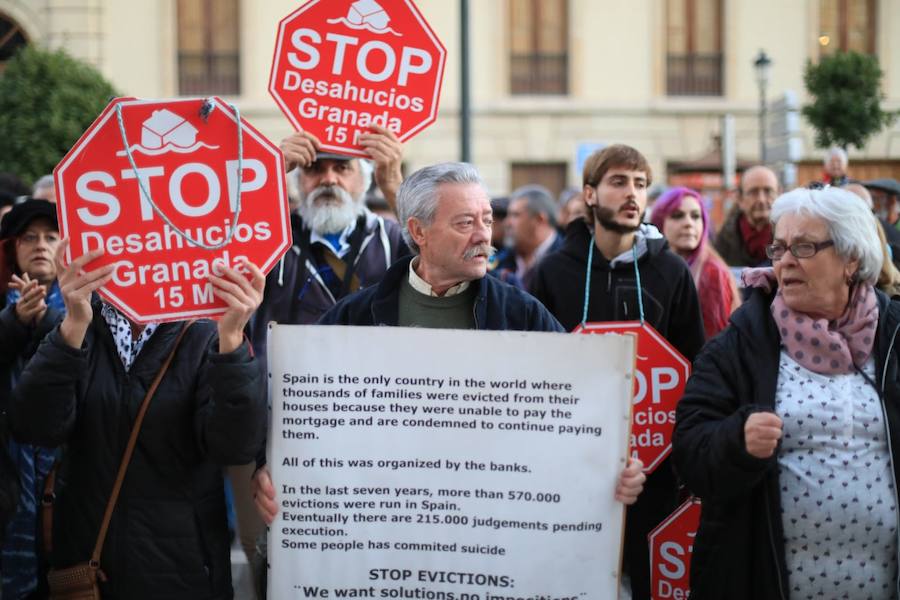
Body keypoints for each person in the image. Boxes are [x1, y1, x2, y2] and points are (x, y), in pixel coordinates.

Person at [251, 161, 646, 513]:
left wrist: (612, 465)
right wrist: (271, 466)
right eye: (464, 223)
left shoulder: (521, 314)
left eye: (488, 220)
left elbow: (577, 407)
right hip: (387, 520)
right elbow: (300, 409)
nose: (483, 236)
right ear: (418, 231)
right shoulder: (355, 316)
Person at [8, 240, 268, 600]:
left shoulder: (206, 331)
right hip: (87, 565)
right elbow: (33, 426)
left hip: (182, 568)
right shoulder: (79, 321)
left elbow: (235, 446)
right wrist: (72, 327)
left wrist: (232, 340)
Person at [672, 186, 896, 599]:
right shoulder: (739, 343)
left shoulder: (895, 336)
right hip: (763, 582)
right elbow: (689, 449)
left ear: (851, 259)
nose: (786, 261)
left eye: (805, 247)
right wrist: (737, 441)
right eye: (779, 248)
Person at [529, 144, 704, 600]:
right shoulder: (553, 272)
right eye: (619, 182)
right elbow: (535, 370)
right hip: (573, 474)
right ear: (589, 194)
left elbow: (695, 368)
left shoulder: (672, 272)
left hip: (657, 473)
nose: (632, 194)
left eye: (641, 184)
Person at [0, 200, 63, 600]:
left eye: (51, 237)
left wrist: (45, 323)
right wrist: (13, 322)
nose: (41, 245)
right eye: (30, 238)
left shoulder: (86, 307)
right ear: (13, 249)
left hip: (66, 479)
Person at [651, 187, 740, 339]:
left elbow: (716, 343)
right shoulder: (651, 267)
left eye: (696, 216)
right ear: (660, 223)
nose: (688, 223)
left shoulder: (712, 273)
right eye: (677, 216)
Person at [493, 185, 562, 289]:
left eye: (515, 215)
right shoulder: (500, 262)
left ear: (539, 220)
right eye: (508, 215)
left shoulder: (568, 263)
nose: (507, 223)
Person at [714, 165, 780, 267]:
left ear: (779, 194)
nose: (761, 200)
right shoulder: (724, 241)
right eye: (753, 192)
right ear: (740, 199)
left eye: (768, 191)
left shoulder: (792, 235)